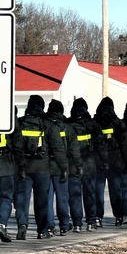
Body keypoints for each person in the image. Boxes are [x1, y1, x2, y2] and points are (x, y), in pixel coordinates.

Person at [14, 94, 66, 239]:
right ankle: (42, 230)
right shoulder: (47, 124)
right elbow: (57, 148)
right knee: (41, 201)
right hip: (42, 168)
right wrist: (63, 167)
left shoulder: (20, 123)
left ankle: (22, 226)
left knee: (22, 199)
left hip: (23, 167)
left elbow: (14, 146)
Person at [68, 98, 104, 231]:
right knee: (90, 193)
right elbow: (100, 145)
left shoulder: (68, 124)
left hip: (72, 165)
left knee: (74, 195)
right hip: (89, 164)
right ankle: (91, 221)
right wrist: (103, 162)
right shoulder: (92, 124)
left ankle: (77, 223)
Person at [94, 97, 127, 226]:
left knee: (98, 190)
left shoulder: (95, 122)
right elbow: (125, 145)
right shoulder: (118, 123)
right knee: (116, 190)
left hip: (98, 162)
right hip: (115, 161)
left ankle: (98, 217)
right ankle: (119, 216)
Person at [45, 99, 79, 234]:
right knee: (62, 197)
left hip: (45, 165)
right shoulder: (67, 127)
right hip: (62, 165)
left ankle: (49, 225)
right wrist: (78, 164)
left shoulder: (44, 125)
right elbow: (73, 148)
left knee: (47, 198)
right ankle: (64, 224)